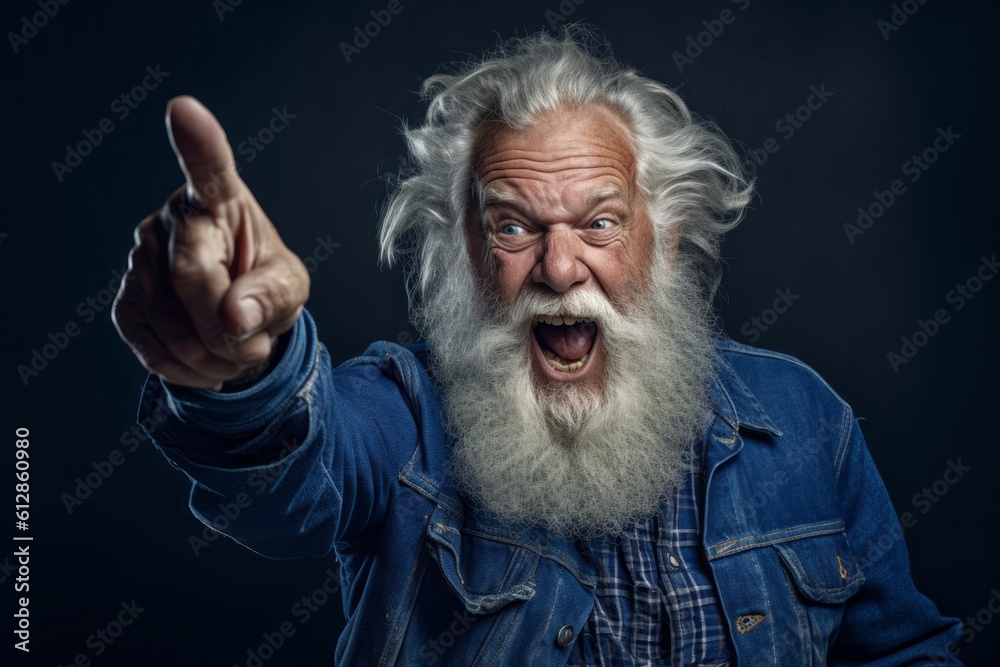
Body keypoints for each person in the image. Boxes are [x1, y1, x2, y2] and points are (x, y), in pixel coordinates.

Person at [113, 29, 962, 665]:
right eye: (513, 225)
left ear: (661, 241)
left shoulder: (807, 420)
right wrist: (246, 375)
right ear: (465, 255)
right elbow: (296, 484)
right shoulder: (404, 418)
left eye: (599, 222)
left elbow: (905, 652)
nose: (560, 267)